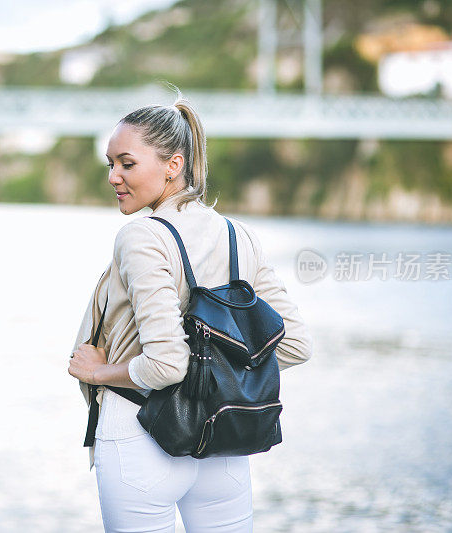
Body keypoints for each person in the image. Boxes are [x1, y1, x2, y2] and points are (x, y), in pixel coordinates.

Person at [68, 89, 313, 532]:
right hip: (222, 440)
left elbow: (166, 364)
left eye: (127, 163)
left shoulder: (142, 236)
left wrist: (97, 373)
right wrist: (221, 374)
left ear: (173, 165)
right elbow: (295, 345)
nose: (113, 177)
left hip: (140, 431)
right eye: (111, 164)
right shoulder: (238, 236)